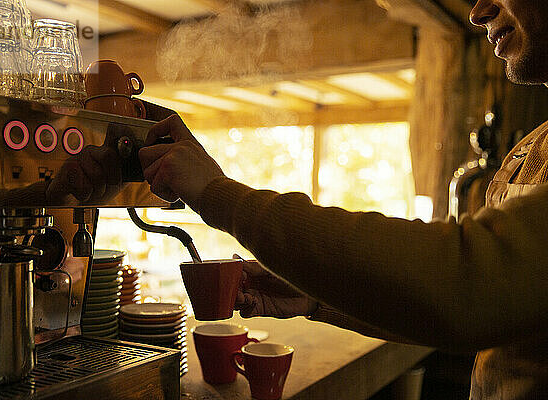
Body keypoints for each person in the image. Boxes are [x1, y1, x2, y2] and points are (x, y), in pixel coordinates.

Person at [136, 0, 548, 399]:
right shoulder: (531, 147)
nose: (477, 12)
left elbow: (468, 280)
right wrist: (315, 298)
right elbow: (478, 312)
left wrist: (217, 193)